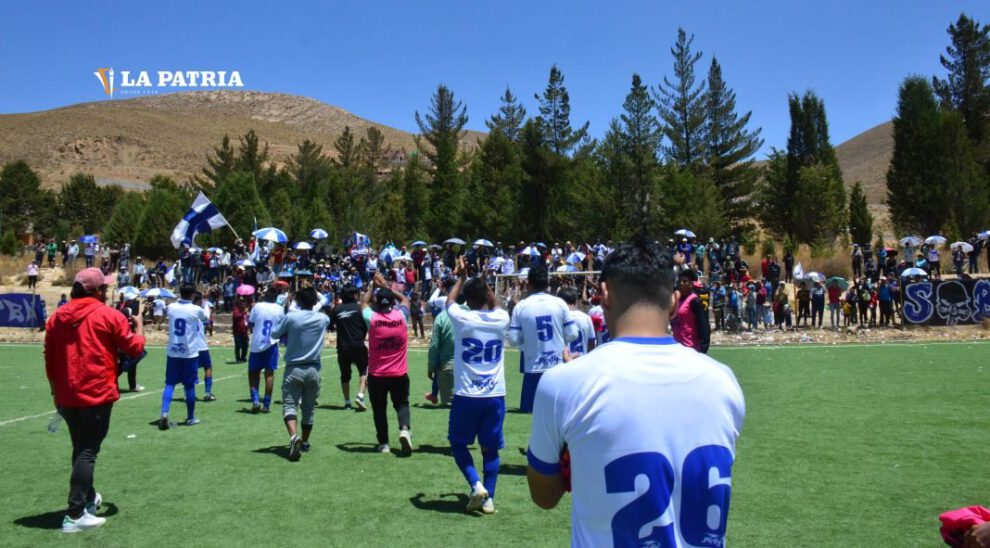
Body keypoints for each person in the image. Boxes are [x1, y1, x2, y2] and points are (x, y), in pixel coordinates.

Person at [526, 239, 745, 546]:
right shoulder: (723, 381)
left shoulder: (564, 383)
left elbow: (544, 496)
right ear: (674, 302)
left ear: (604, 295)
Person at [45, 268, 146, 533]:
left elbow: (49, 357)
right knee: (87, 452)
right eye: (104, 287)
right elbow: (135, 347)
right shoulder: (108, 315)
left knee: (80, 449)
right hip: (96, 392)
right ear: (98, 290)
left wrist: (55, 391)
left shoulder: (57, 317)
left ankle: (88, 498)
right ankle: (75, 513)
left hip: (67, 394)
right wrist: (139, 325)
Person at [444, 257, 511, 514]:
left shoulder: (463, 318)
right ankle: (489, 499)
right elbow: (495, 303)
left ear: (467, 299)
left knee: (457, 443)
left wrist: (461, 277)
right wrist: (484, 284)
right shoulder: (501, 318)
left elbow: (450, 301)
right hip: (495, 394)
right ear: (487, 295)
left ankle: (476, 484)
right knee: (490, 450)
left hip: (467, 394)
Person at [507, 263, 578, 413]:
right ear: (547, 284)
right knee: (557, 410)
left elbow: (513, 339)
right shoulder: (560, 303)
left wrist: (527, 341)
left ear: (529, 284)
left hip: (533, 368)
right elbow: (573, 333)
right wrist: (560, 341)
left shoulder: (521, 306)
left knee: (529, 412)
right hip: (556, 367)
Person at [270, 286, 330, 461]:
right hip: (313, 368)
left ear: (298, 301)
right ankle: (304, 441)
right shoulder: (323, 319)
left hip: (294, 367)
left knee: (290, 405)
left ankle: (293, 436)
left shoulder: (291, 317)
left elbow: (275, 333)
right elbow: (324, 305)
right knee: (309, 408)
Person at [362, 273, 413, 454]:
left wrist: (372, 286)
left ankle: (383, 443)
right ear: (392, 302)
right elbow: (405, 300)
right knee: (402, 404)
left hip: (377, 374)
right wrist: (388, 288)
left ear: (377, 302)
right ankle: (404, 430)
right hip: (399, 373)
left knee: (379, 409)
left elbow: (363, 303)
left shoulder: (372, 318)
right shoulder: (401, 316)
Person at [159, 285, 207, 429]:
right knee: (189, 386)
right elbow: (205, 318)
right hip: (189, 353)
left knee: (169, 384)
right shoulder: (196, 309)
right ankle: (190, 417)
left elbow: (166, 314)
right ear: (192, 294)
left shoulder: (171, 307)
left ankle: (164, 413)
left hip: (173, 352)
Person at [329, 284, 369, 411]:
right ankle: (360, 395)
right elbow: (366, 326)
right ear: (354, 295)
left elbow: (330, 326)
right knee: (364, 371)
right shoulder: (360, 309)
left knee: (345, 375)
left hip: (343, 346)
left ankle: (347, 402)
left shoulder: (336, 310)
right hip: (358, 344)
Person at [248, 288, 284, 413]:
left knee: (253, 373)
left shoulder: (257, 306)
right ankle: (266, 405)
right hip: (272, 344)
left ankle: (255, 400)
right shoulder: (279, 308)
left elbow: (250, 323)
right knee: (269, 374)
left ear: (265, 296)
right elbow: (282, 325)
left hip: (257, 344)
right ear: (275, 298)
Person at [671, 269, 711, 353]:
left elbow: (703, 326)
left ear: (691, 284)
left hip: (691, 348)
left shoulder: (694, 301)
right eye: (680, 281)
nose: (682, 284)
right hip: (677, 348)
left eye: (685, 281)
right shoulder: (676, 299)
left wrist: (703, 349)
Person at [559, 287, 596, 358]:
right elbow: (591, 344)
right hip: (582, 360)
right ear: (576, 301)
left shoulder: (559, 319)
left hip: (564, 361)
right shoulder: (586, 318)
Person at [192, 292, 216, 402]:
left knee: (191, 369)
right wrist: (208, 309)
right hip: (201, 345)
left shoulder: (186, 311)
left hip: (190, 346)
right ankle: (207, 392)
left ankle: (190, 392)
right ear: (199, 301)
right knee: (208, 367)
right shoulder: (200, 311)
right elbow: (208, 322)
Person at [231, 296, 249, 363]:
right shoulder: (236, 310)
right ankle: (238, 358)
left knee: (245, 345)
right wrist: (243, 313)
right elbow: (236, 316)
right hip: (237, 331)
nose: (243, 305)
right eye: (242, 303)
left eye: (244, 303)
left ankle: (243, 357)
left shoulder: (245, 312)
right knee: (238, 345)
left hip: (244, 331)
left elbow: (246, 320)